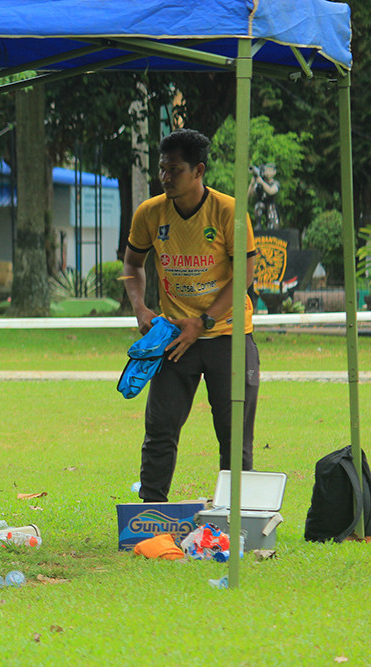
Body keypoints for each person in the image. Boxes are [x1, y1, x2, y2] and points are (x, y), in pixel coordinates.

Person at [121, 128, 259, 503]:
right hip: (175, 339)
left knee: (233, 436)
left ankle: (236, 515)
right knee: (160, 429)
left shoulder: (229, 212)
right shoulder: (150, 213)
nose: (165, 177)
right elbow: (133, 264)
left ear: (198, 171)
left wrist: (203, 322)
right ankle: (150, 515)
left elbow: (243, 277)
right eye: (162, 169)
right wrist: (140, 308)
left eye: (175, 170)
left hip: (227, 336)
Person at [248, 163, 280, 230]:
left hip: (271, 206)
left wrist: (262, 182)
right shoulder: (259, 183)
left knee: (273, 226)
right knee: (258, 206)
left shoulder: (275, 183)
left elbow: (271, 191)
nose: (268, 172)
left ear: (274, 172)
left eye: (270, 171)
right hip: (262, 205)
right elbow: (249, 195)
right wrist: (252, 184)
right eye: (267, 170)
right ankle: (258, 225)